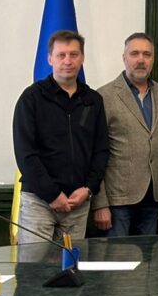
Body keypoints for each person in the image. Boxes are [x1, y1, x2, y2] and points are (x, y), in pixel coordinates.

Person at [12, 29, 109, 244]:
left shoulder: (93, 100)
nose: (68, 61)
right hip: (39, 202)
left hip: (78, 202)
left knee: (70, 263)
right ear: (50, 59)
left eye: (74, 54)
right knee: (34, 264)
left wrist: (88, 189)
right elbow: (26, 154)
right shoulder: (31, 99)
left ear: (82, 58)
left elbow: (101, 150)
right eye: (61, 55)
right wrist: (52, 194)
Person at [92, 32, 158, 237]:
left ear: (153, 59)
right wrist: (100, 203)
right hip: (117, 202)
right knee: (117, 257)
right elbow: (95, 154)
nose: (141, 60)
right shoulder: (104, 96)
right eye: (135, 54)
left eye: (147, 54)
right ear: (124, 57)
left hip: (152, 199)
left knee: (148, 257)